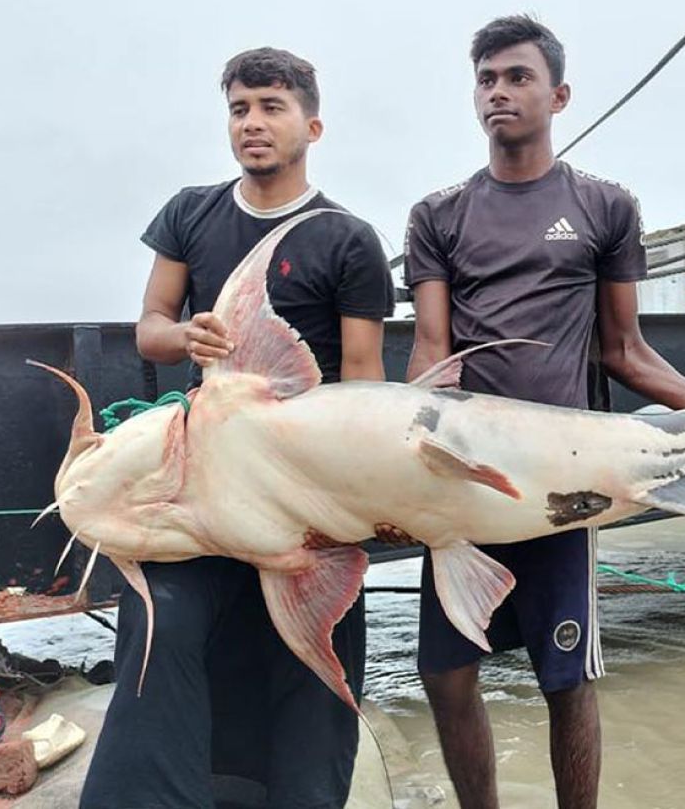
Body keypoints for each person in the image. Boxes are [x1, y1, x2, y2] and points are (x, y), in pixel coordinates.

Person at [402, 15, 685, 809]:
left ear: (559, 93)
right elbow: (430, 356)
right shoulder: (436, 216)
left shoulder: (604, 207)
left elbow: (626, 351)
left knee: (566, 674)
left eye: (517, 77)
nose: (498, 93)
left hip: (565, 481)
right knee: (444, 673)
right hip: (466, 470)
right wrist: (403, 458)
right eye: (486, 79)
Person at [79, 47, 395, 809]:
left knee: (310, 648)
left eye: (271, 107)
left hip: (305, 481)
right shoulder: (190, 212)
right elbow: (150, 326)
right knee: (163, 618)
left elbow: (363, 377)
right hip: (206, 475)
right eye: (240, 108)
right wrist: (185, 337)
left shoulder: (349, 238)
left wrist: (367, 494)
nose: (253, 123)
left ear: (311, 125)